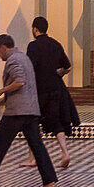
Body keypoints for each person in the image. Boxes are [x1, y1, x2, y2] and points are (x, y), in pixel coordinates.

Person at [0, 34, 58, 187]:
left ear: (3, 47)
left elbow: (20, 81)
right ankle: (49, 180)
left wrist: (0, 91)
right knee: (37, 146)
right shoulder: (24, 58)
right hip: (31, 110)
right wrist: (4, 100)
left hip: (17, 112)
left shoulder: (13, 60)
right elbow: (24, 85)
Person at [22, 16, 79, 169]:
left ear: (35, 29)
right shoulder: (55, 44)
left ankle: (32, 158)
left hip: (39, 90)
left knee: (32, 122)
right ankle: (65, 153)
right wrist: (58, 73)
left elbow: (29, 68)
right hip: (55, 89)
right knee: (56, 122)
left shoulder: (33, 46)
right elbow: (67, 66)